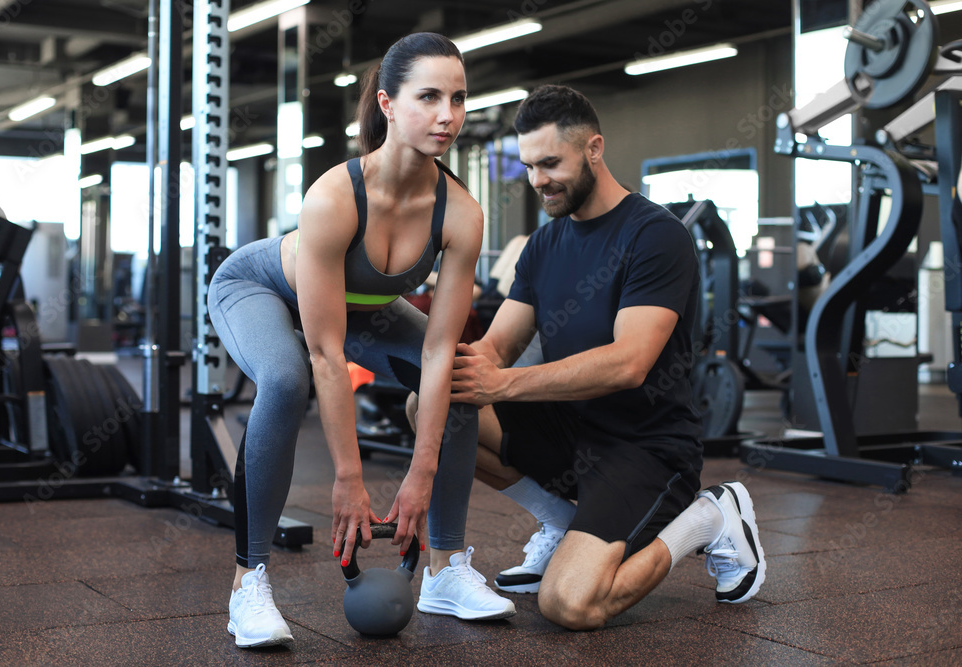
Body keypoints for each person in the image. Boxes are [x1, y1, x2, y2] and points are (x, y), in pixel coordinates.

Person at [207, 32, 515, 648]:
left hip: (368, 309)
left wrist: (420, 470)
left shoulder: (459, 212)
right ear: (388, 105)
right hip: (261, 288)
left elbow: (436, 349)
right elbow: (326, 354)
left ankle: (446, 570)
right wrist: (348, 477)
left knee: (455, 375)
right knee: (288, 377)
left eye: (458, 98)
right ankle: (249, 581)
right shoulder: (334, 196)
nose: (448, 115)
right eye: (428, 97)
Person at [443, 84, 766, 630]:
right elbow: (497, 349)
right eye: (528, 165)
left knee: (570, 605)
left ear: (594, 148)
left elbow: (628, 363)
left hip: (643, 446)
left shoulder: (655, 236)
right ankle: (563, 522)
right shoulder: (544, 246)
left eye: (550, 163)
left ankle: (710, 516)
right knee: (431, 405)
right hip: (571, 434)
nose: (537, 180)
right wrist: (439, 359)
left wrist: (500, 385)